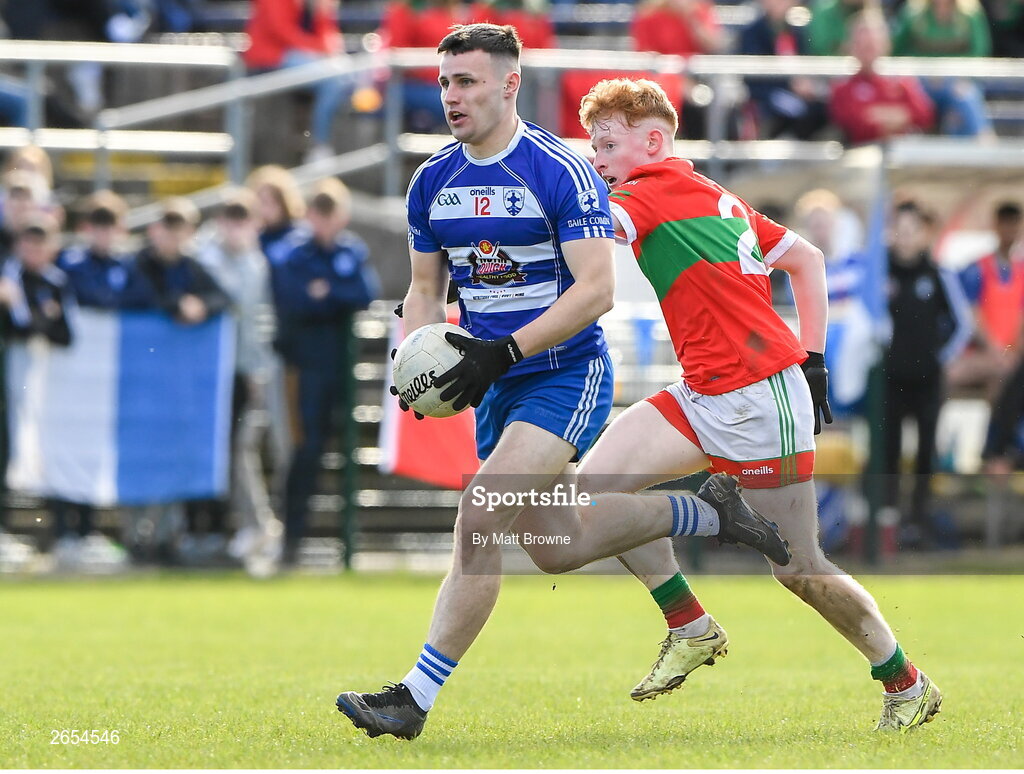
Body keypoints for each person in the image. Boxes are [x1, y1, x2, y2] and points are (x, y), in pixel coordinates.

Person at [336, 24, 790, 742]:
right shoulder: (432, 180)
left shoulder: (557, 170)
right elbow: (424, 290)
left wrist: (500, 351)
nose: (451, 95)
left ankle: (412, 699)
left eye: (468, 82)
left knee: (481, 516)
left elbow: (596, 291)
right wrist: (415, 360)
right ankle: (708, 512)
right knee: (557, 547)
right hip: (497, 390)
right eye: (445, 81)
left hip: (563, 375)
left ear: (509, 85)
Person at [560, 77, 940, 732]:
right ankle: (690, 623)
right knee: (591, 496)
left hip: (760, 396)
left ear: (654, 140)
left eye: (608, 144)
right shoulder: (711, 194)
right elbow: (808, 259)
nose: (598, 157)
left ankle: (905, 681)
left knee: (798, 572)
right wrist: (814, 358)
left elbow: (591, 228)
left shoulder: (646, 194)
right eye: (593, 146)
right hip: (706, 388)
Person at [270, 178, 378, 565]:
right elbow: (295, 299)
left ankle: (337, 542)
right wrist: (334, 295)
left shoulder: (350, 249)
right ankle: (289, 536)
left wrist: (325, 292)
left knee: (335, 450)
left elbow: (363, 293)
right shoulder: (292, 253)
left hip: (338, 367)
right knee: (304, 449)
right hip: (301, 368)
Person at [196, 191, 283, 569]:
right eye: (229, 219)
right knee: (229, 452)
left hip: (246, 373)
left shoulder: (254, 263)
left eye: (242, 219)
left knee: (239, 451)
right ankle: (246, 526)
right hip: (211, 372)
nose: (235, 228)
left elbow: (251, 319)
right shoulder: (208, 257)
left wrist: (255, 370)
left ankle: (257, 523)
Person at [882, 200, 972, 546]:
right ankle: (888, 522)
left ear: (924, 234)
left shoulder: (938, 274)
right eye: (899, 230)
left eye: (911, 231)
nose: (904, 238)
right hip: (890, 379)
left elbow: (962, 324)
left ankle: (919, 521)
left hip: (927, 380)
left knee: (925, 452)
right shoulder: (881, 273)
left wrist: (940, 357)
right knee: (888, 451)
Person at [243, 0, 355, 162]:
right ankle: (320, 147)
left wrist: (322, 14)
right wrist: (319, 50)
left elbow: (327, 34)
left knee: (348, 77)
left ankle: (327, 148)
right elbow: (280, 31)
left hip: (300, 57)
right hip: (271, 58)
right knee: (333, 80)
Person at [949, 201, 1024, 400]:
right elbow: (971, 315)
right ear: (996, 226)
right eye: (1006, 224)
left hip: (1010, 355)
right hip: (982, 352)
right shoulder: (978, 268)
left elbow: (1020, 317)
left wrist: (1012, 351)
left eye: (1014, 224)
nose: (1010, 230)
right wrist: (994, 350)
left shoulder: (1020, 271)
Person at [892, 0, 995, 139]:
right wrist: (926, 73)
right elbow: (896, 51)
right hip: (920, 83)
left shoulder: (971, 14)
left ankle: (983, 143)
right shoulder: (913, 13)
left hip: (958, 82)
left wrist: (949, 76)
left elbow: (979, 53)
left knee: (964, 98)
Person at [830, 10, 935, 146]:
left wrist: (880, 115)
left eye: (873, 45)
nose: (869, 52)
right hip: (861, 154)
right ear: (852, 46)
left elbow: (924, 115)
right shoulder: (843, 87)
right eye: (864, 46)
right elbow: (853, 122)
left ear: (885, 45)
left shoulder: (901, 81)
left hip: (902, 154)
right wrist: (897, 116)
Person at [736, 0, 829, 140]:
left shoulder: (797, 29)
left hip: (796, 91)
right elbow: (753, 74)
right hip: (767, 92)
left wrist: (804, 83)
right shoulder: (753, 31)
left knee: (821, 108)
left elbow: (804, 60)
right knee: (788, 109)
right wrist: (788, 85)